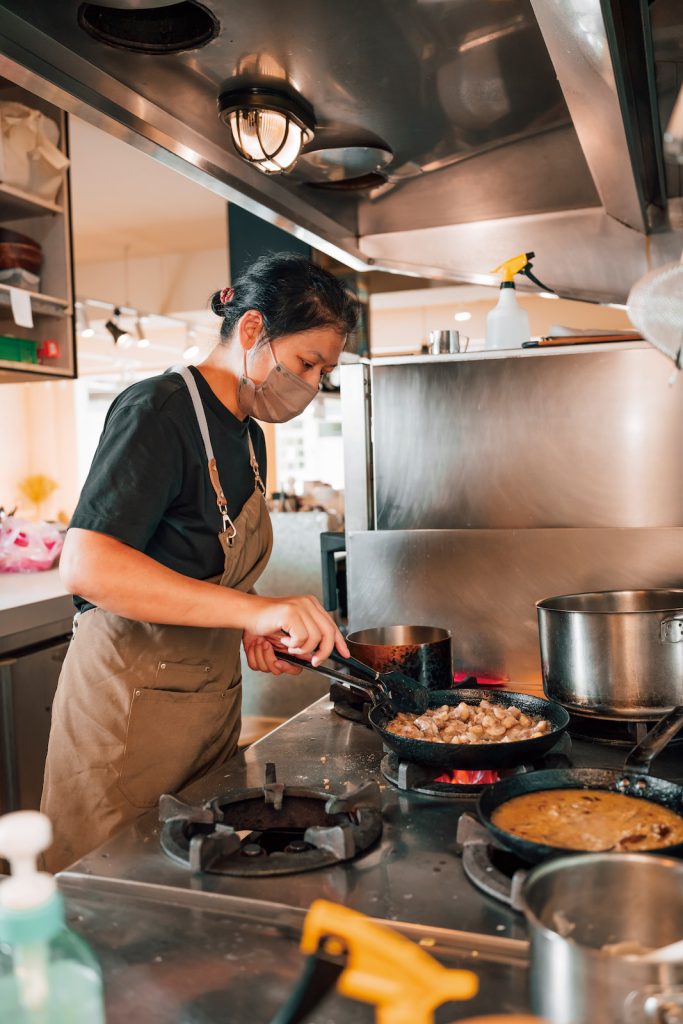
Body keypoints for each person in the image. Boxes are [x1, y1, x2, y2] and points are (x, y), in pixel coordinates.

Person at [41, 252, 360, 871]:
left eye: (323, 371)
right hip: (128, 717)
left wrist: (246, 625)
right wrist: (254, 608)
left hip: (207, 710)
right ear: (251, 332)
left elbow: (195, 564)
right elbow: (88, 565)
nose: (312, 386)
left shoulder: (246, 434)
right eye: (306, 363)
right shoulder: (157, 412)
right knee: (112, 889)